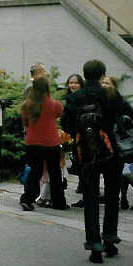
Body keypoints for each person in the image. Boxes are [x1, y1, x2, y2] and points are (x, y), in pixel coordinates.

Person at [63, 59, 121, 263]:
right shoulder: (109, 93)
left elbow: (66, 123)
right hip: (110, 150)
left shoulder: (76, 96)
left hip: (85, 151)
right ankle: (110, 239)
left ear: (84, 75)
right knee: (113, 194)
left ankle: (94, 244)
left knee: (90, 197)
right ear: (103, 74)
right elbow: (120, 116)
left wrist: (81, 133)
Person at [101, 76, 133, 210]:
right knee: (122, 169)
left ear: (114, 86)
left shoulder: (118, 102)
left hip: (121, 141)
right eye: (103, 82)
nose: (104, 85)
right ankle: (123, 199)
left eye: (107, 83)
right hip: (117, 140)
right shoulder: (107, 100)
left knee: (124, 169)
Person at [19, 76, 68, 212]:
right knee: (55, 172)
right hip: (51, 143)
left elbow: (25, 123)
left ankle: (27, 199)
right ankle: (59, 202)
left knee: (35, 171)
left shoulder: (26, 105)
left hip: (32, 142)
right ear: (47, 88)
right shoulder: (55, 105)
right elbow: (60, 115)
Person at [62, 74, 86, 203]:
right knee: (78, 160)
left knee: (83, 161)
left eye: (76, 83)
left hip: (81, 134)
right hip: (73, 134)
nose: (73, 85)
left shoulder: (82, 98)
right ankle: (82, 185)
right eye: (71, 82)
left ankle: (85, 188)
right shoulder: (69, 98)